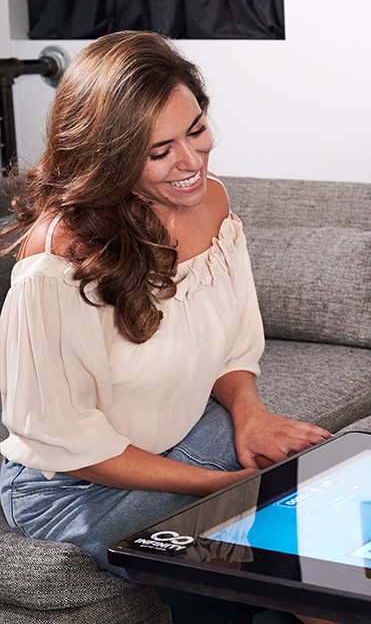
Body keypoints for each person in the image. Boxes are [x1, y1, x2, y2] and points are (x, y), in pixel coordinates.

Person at [0, 31, 331, 578]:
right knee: (264, 542)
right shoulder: (59, 256)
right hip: (76, 488)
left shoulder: (211, 202)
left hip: (187, 436)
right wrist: (220, 486)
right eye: (159, 151)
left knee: (321, 499)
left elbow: (231, 347)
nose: (191, 160)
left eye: (196, 130)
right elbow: (70, 442)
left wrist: (250, 414)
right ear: (110, 158)